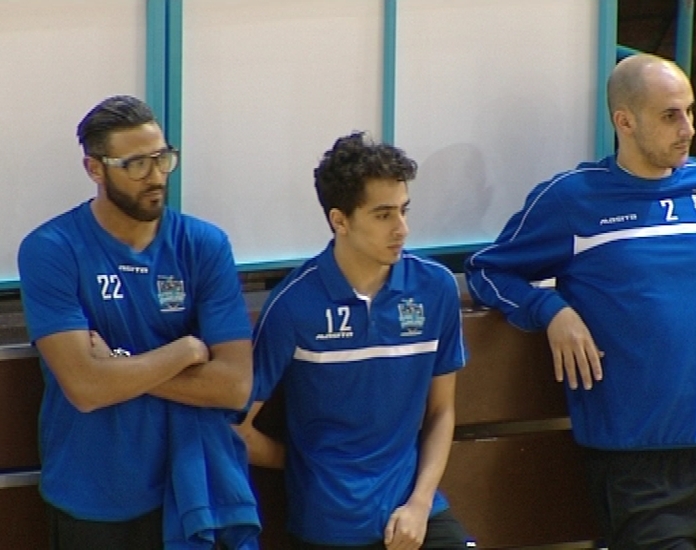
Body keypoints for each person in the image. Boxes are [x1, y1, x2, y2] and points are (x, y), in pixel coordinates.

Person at [464, 53, 696, 549]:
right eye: (670, 115)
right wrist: (551, 311)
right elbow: (487, 270)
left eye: (689, 111)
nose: (687, 127)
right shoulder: (572, 199)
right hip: (635, 459)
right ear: (625, 121)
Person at [17, 95, 259, 550]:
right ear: (95, 168)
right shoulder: (52, 249)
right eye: (135, 164)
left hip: (193, 484)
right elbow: (86, 389)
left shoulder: (204, 245)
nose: (155, 176)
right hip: (95, 492)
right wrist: (183, 352)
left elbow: (234, 386)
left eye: (162, 159)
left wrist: (120, 369)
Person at [235, 132, 474, 550]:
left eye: (403, 210)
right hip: (331, 525)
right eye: (383, 215)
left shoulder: (434, 288)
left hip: (416, 512)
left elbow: (441, 411)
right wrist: (303, 466)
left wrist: (418, 505)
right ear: (339, 220)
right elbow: (236, 429)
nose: (402, 229)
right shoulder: (293, 305)